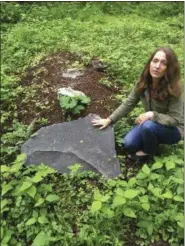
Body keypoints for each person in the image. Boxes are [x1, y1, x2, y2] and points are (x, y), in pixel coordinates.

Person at [91, 47, 184, 162]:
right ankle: (153, 138)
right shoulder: (144, 82)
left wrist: (151, 115)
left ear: (169, 69)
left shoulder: (175, 89)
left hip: (174, 129)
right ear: (150, 62)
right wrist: (109, 120)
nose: (157, 66)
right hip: (151, 123)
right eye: (155, 61)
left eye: (163, 63)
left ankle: (149, 153)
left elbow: (175, 119)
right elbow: (129, 103)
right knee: (129, 144)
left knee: (148, 126)